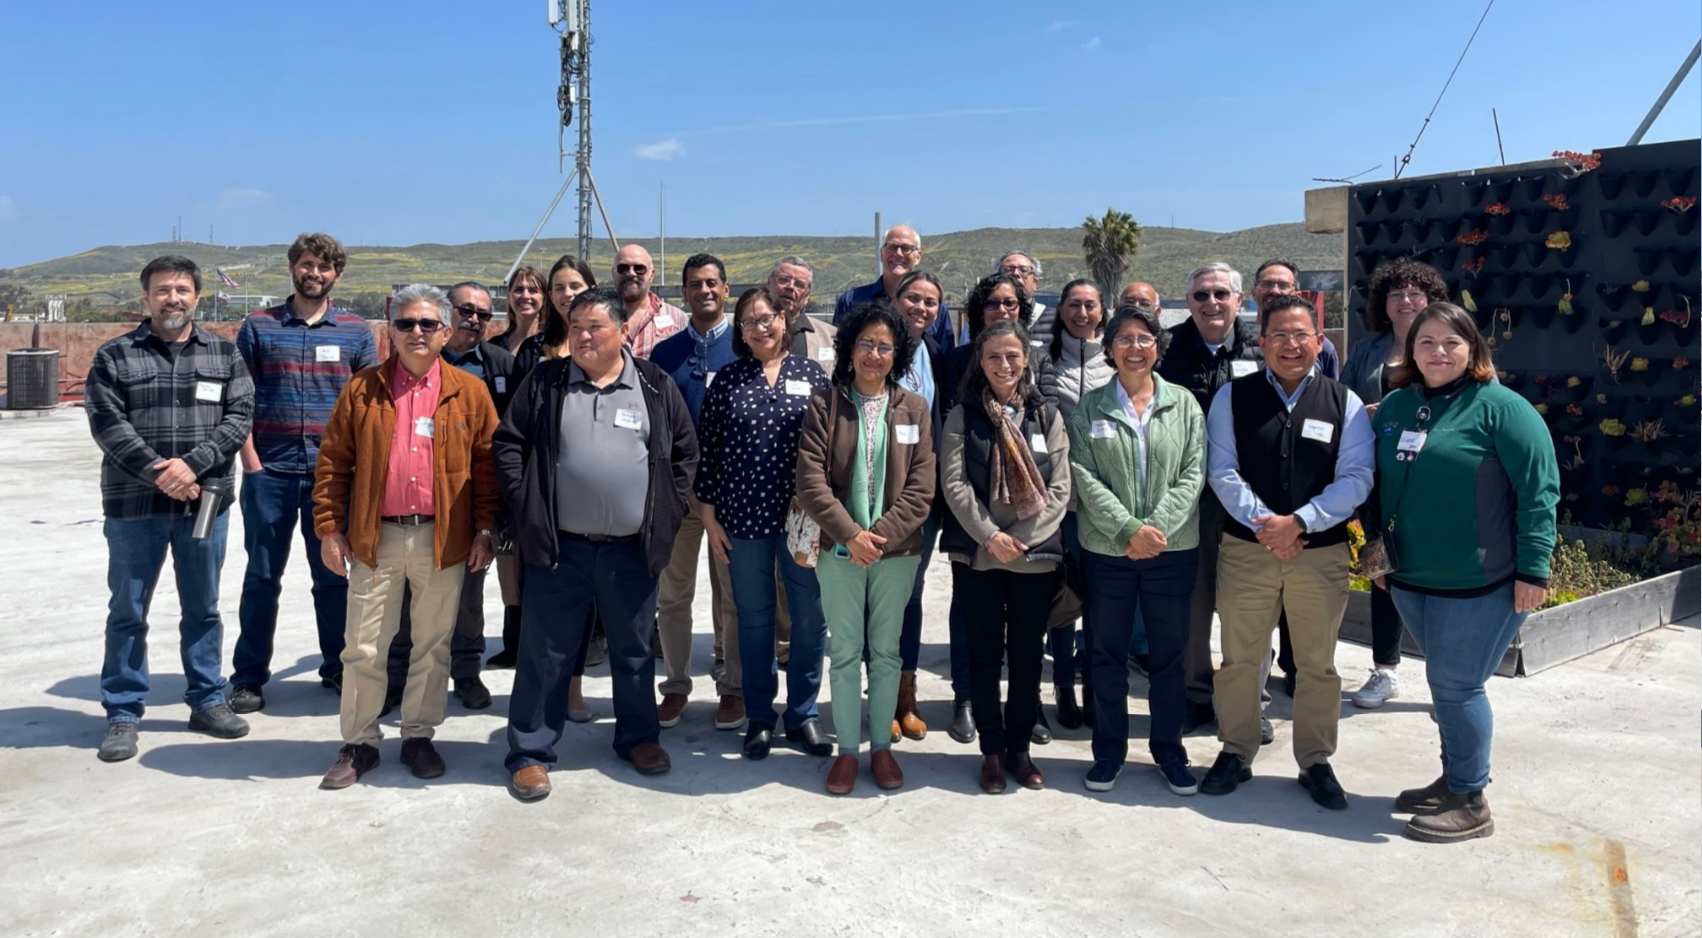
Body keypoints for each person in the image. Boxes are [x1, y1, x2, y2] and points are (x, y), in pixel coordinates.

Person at [494, 286, 698, 800]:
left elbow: (683, 457)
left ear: (622, 331)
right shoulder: (546, 381)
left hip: (632, 550)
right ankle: (531, 751)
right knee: (546, 651)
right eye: (576, 326)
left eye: (595, 327)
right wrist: (529, 508)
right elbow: (509, 445)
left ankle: (637, 738)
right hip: (562, 548)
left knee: (632, 651)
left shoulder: (653, 384)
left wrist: (665, 520)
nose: (583, 336)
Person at [1372, 301, 1558, 843]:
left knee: (1457, 687)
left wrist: (1534, 569)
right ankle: (1453, 778)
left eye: (1451, 342)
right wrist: (1376, 560)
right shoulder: (1397, 408)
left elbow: (1539, 492)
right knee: (1442, 682)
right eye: (1426, 342)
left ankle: (1471, 798)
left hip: (1480, 583)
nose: (1438, 352)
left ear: (1473, 349)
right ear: (1412, 350)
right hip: (1410, 578)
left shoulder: (1503, 408)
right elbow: (1381, 487)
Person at [311, 284, 501, 789]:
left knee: (432, 645)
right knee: (364, 646)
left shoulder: (469, 392)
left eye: (427, 324)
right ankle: (360, 742)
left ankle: (418, 735)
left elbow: (486, 468)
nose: (416, 333)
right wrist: (329, 528)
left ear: (444, 332)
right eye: (406, 324)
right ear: (390, 330)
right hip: (378, 538)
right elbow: (333, 464)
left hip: (443, 539)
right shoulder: (362, 390)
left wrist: (485, 529)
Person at [1198, 294, 1374, 810]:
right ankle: (1236, 750)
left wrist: (1300, 522)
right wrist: (1266, 524)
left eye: (1302, 335)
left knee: (1317, 664)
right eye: (1280, 336)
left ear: (1319, 342)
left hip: (1319, 555)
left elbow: (1357, 477)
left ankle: (1316, 760)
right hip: (1247, 550)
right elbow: (1222, 471)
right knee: (1239, 659)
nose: (1291, 345)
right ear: (1263, 342)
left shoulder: (1345, 404)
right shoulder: (1232, 398)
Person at [85, 256, 256, 762]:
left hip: (205, 503)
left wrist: (193, 466)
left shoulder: (224, 355)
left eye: (182, 289)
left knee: (203, 607)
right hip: (134, 505)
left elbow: (239, 416)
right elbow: (107, 424)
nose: (173, 298)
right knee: (127, 610)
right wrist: (161, 471)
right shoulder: (114, 356)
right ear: (146, 298)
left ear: (197, 297)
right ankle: (122, 711)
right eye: (162, 290)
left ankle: (206, 699)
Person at [228, 233, 378, 714]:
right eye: (308, 265)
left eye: (325, 267)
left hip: (331, 478)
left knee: (334, 576)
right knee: (261, 577)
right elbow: (239, 399)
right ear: (292, 267)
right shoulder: (258, 326)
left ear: (337, 275)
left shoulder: (355, 332)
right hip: (269, 472)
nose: (315, 273)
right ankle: (249, 676)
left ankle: (337, 665)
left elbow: (370, 408)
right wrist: (250, 462)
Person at [795, 301, 936, 794]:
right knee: (845, 652)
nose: (874, 354)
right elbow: (810, 482)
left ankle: (882, 748)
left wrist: (880, 538)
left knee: (886, 652)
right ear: (849, 348)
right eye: (866, 344)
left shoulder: (914, 408)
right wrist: (851, 535)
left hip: (896, 555)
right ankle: (847, 753)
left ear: (897, 355)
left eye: (884, 346)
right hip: (839, 552)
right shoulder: (824, 404)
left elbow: (922, 488)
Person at [1067, 304, 1205, 793]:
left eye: (1144, 338)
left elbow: (1194, 472)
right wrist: (1128, 530)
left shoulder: (1184, 404)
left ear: (1157, 347)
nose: (1134, 347)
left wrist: (1155, 529)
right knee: (1105, 654)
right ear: (1109, 349)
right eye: (1123, 339)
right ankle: (1109, 752)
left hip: (1172, 550)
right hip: (1109, 553)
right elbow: (1082, 476)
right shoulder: (1090, 409)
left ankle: (1169, 751)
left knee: (1169, 657)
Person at [696, 287, 833, 761]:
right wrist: (709, 517)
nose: (760, 326)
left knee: (808, 619)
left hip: (803, 520)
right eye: (750, 320)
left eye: (768, 317)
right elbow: (708, 453)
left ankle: (803, 715)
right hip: (743, 517)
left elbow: (830, 450)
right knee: (753, 619)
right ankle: (759, 716)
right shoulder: (728, 380)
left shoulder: (812, 375)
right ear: (740, 331)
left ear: (784, 319)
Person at [941, 320, 1071, 793]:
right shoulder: (963, 415)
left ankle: (1020, 749)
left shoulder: (1046, 416)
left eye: (1013, 355)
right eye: (994, 356)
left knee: (1026, 658)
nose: (1004, 365)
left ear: (1027, 359)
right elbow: (953, 484)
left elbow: (1060, 487)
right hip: (980, 556)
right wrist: (991, 535)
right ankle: (991, 752)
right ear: (981, 361)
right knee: (982, 656)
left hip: (1034, 558)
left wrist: (1025, 537)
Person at [1155, 262, 1273, 742]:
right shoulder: (1168, 353)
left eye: (1221, 294)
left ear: (1241, 299)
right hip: (1190, 503)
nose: (1211, 303)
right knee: (1193, 608)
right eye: (1200, 295)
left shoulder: (1262, 351)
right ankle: (1196, 697)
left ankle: (1250, 702)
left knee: (1251, 611)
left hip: (1250, 501)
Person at [384, 281, 515, 712]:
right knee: (403, 601)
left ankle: (466, 672)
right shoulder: (408, 365)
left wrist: (490, 522)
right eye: (466, 310)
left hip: (467, 505)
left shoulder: (498, 365)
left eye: (483, 314)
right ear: (447, 318)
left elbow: (499, 445)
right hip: (410, 505)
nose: (474, 320)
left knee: (468, 596)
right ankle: (398, 677)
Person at [491, 258, 598, 723]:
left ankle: (572, 690)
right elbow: (517, 428)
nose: (566, 293)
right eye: (559, 286)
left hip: (590, 495)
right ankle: (537, 693)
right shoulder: (534, 351)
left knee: (584, 602)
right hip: (543, 493)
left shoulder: (607, 343)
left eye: (576, 285)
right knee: (539, 601)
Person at [1339, 258, 1449, 709]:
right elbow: (1340, 399)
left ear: (1431, 299)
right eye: (1396, 293)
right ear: (1383, 303)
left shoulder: (1448, 344)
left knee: (1440, 572)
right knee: (1382, 569)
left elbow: (1479, 399)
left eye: (1415, 292)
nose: (1406, 300)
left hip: (1434, 482)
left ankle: (1448, 676)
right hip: (1378, 479)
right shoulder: (1367, 351)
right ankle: (1385, 671)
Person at [649, 254, 745, 731]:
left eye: (712, 283)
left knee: (732, 596)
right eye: (694, 284)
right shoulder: (664, 356)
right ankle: (676, 685)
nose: (704, 290)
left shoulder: (745, 345)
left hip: (729, 495)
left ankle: (732, 688)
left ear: (725, 289)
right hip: (677, 493)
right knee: (674, 595)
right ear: (683, 293)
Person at [1047, 279, 1115, 728]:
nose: (1082, 313)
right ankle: (1063, 684)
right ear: (1062, 311)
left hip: (1107, 504)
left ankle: (1095, 685)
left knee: (1101, 601)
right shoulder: (1045, 365)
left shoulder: (1117, 365)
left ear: (1102, 312)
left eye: (1090, 305)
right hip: (1062, 504)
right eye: (1074, 305)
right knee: (1063, 596)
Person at [890, 271, 951, 742]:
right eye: (914, 298)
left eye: (931, 302)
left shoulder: (935, 354)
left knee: (910, 598)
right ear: (896, 298)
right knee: (873, 600)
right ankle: (877, 693)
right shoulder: (876, 349)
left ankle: (904, 695)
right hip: (874, 498)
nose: (922, 308)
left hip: (922, 501)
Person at [834, 224, 955, 350]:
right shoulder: (851, 301)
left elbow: (944, 359)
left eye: (906, 248)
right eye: (892, 247)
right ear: (881, 253)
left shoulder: (936, 309)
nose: (898, 253)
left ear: (918, 256)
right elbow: (838, 352)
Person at [1250, 259, 1340, 379]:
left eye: (1283, 285)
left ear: (1297, 295)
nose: (1275, 291)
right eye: (1267, 284)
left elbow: (1330, 393)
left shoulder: (1322, 348)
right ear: (1253, 292)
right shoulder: (1235, 343)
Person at [612, 244, 686, 359]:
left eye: (639, 268)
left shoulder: (677, 318)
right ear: (613, 273)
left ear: (651, 275)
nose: (631, 273)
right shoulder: (598, 316)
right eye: (623, 268)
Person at [770, 255, 838, 370]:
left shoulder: (830, 337)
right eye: (784, 280)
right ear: (769, 283)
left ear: (807, 296)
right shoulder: (738, 329)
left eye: (799, 285)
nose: (790, 287)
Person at [969, 251, 1049, 347]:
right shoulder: (974, 322)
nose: (1015, 273)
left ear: (1035, 283)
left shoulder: (1058, 319)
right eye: (1008, 270)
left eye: (1024, 270)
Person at [493, 264, 548, 355]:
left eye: (533, 290)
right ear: (508, 297)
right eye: (519, 290)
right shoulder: (495, 347)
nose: (525, 296)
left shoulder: (555, 344)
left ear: (545, 299)